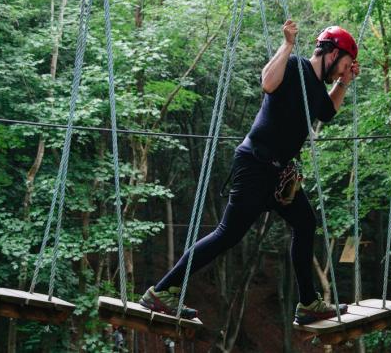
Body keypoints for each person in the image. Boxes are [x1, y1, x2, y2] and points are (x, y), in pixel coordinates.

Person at [139, 20, 359, 325]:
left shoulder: (317, 86)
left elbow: (327, 114)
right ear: (332, 53)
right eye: (345, 63)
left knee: (305, 223)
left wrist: (344, 82)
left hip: (278, 174)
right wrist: (287, 44)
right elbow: (268, 83)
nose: (343, 68)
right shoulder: (294, 66)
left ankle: (308, 303)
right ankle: (161, 292)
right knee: (226, 235)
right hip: (255, 165)